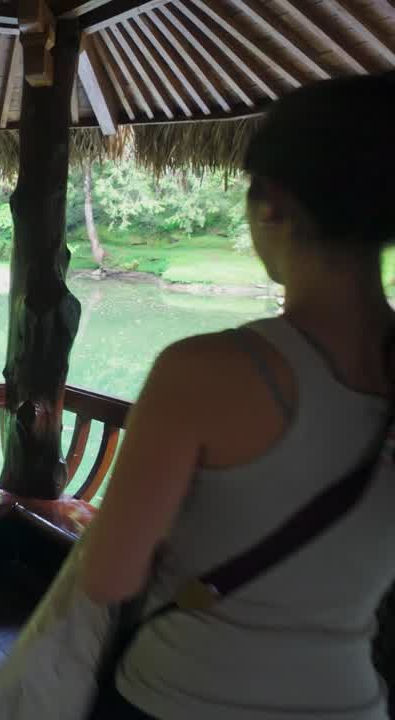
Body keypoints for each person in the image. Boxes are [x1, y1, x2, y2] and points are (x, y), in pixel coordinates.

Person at [81, 73, 395, 719]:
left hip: (181, 695)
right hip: (350, 700)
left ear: (272, 203)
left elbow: (107, 577)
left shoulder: (205, 370)